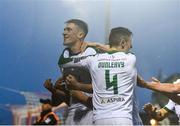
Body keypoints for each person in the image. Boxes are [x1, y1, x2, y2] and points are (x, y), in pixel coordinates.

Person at [62, 27, 138, 125]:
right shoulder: (130, 58)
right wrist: (98, 45)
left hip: (100, 119)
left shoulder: (93, 60)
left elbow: (64, 62)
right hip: (122, 119)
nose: (131, 46)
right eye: (129, 42)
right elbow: (117, 52)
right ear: (123, 43)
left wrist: (92, 46)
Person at [44, 19, 100, 125]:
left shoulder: (95, 54)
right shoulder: (63, 61)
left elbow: (105, 88)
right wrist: (53, 90)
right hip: (72, 115)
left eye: (68, 29)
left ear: (80, 34)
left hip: (92, 113)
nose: (64, 32)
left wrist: (78, 85)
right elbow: (70, 97)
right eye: (64, 29)